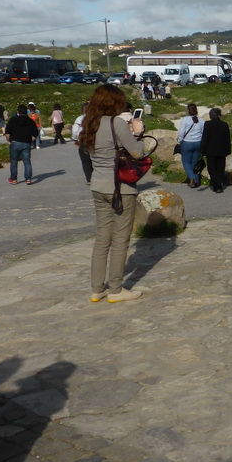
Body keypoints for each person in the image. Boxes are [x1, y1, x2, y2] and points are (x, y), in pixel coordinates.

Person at [80, 84, 148, 303]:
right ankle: (116, 290)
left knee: (102, 239)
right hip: (120, 188)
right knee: (120, 239)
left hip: (98, 186)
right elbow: (137, 152)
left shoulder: (90, 123)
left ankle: (97, 289)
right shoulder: (116, 122)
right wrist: (138, 133)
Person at [199, 107, 231, 193]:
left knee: (211, 169)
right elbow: (227, 138)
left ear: (210, 116)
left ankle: (217, 185)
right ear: (219, 115)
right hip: (222, 150)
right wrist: (228, 150)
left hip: (210, 150)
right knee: (221, 168)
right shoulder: (224, 124)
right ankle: (219, 182)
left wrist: (202, 149)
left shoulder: (208, 124)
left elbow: (205, 137)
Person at [5, 105, 39, 184]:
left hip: (15, 142)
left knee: (14, 161)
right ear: (26, 112)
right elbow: (35, 133)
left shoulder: (13, 120)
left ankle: (13, 179)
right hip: (26, 143)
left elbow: (7, 132)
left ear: (18, 112)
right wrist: (31, 140)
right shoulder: (30, 121)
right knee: (27, 161)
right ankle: (28, 178)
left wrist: (9, 141)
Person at [176, 103, 205, 188]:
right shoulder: (201, 120)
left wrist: (179, 140)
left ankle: (192, 177)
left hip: (187, 143)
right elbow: (203, 132)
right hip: (198, 142)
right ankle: (195, 181)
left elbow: (181, 132)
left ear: (188, 111)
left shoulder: (185, 120)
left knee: (186, 162)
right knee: (194, 162)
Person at [72, 102, 93, 184]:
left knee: (85, 161)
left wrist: (75, 139)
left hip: (83, 140)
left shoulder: (79, 119)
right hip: (94, 140)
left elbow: (75, 131)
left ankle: (89, 179)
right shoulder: (96, 118)